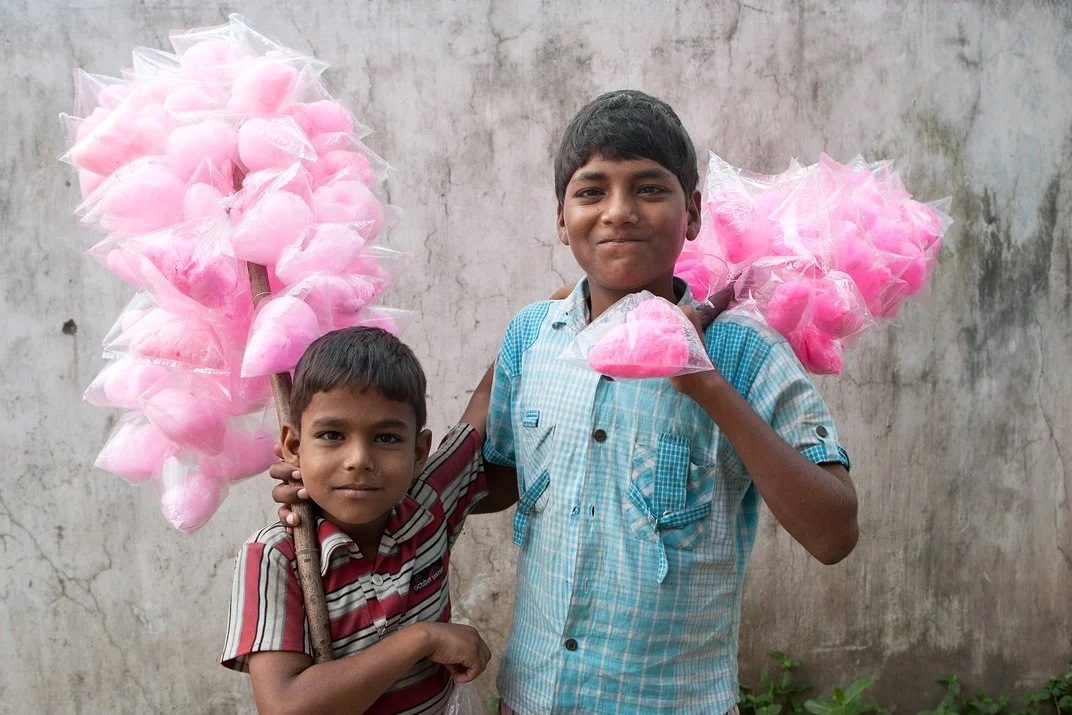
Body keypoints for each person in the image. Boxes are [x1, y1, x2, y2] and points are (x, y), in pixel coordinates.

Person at [480, 90, 859, 715]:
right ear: (560, 216)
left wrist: (704, 383)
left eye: (650, 189)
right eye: (592, 190)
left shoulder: (743, 354)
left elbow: (834, 532)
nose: (619, 212)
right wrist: (335, 484)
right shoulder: (532, 336)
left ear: (695, 213)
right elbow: (491, 479)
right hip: (534, 697)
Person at [221, 326, 516, 714]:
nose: (358, 458)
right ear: (294, 447)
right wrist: (422, 639)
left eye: (387, 438)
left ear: (419, 452)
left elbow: (484, 398)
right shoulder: (275, 557)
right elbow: (285, 706)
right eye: (331, 435)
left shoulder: (428, 506)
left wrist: (554, 308)